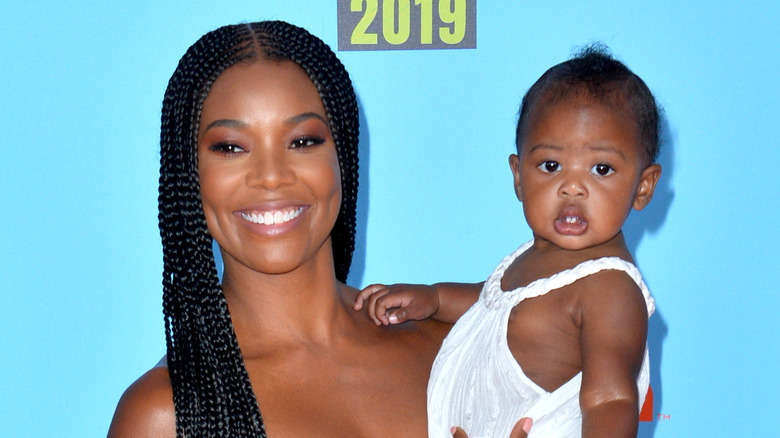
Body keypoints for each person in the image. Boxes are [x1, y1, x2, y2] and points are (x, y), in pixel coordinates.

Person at [106, 20, 468, 438]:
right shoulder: (166, 414)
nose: (272, 176)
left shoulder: (453, 348)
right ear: (188, 176)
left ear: (342, 157)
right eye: (230, 148)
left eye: (302, 141)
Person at [355, 46, 662, 437]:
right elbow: (497, 305)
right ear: (519, 176)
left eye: (601, 169)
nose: (572, 187)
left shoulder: (610, 289)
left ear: (643, 186)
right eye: (550, 166)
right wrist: (434, 298)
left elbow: (611, 401)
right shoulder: (537, 259)